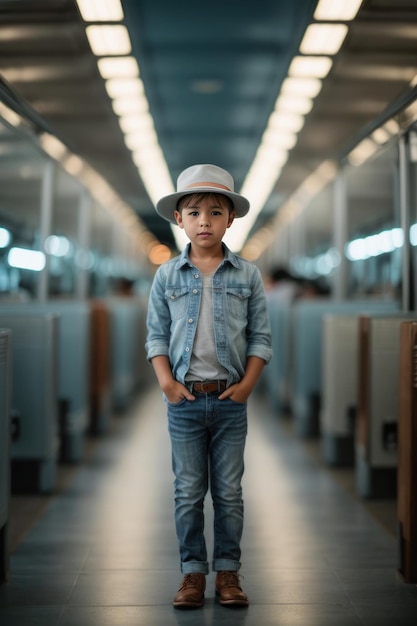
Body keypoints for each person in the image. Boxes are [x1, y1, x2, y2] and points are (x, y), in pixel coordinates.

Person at [145, 164, 272, 609]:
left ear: (230, 219)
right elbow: (156, 336)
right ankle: (192, 574)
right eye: (194, 212)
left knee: (230, 493)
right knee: (187, 491)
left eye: (215, 212)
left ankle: (228, 574)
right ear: (178, 219)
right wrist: (166, 383)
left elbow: (260, 337)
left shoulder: (247, 275)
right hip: (183, 400)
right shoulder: (167, 276)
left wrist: (248, 386)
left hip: (229, 399)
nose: (205, 221)